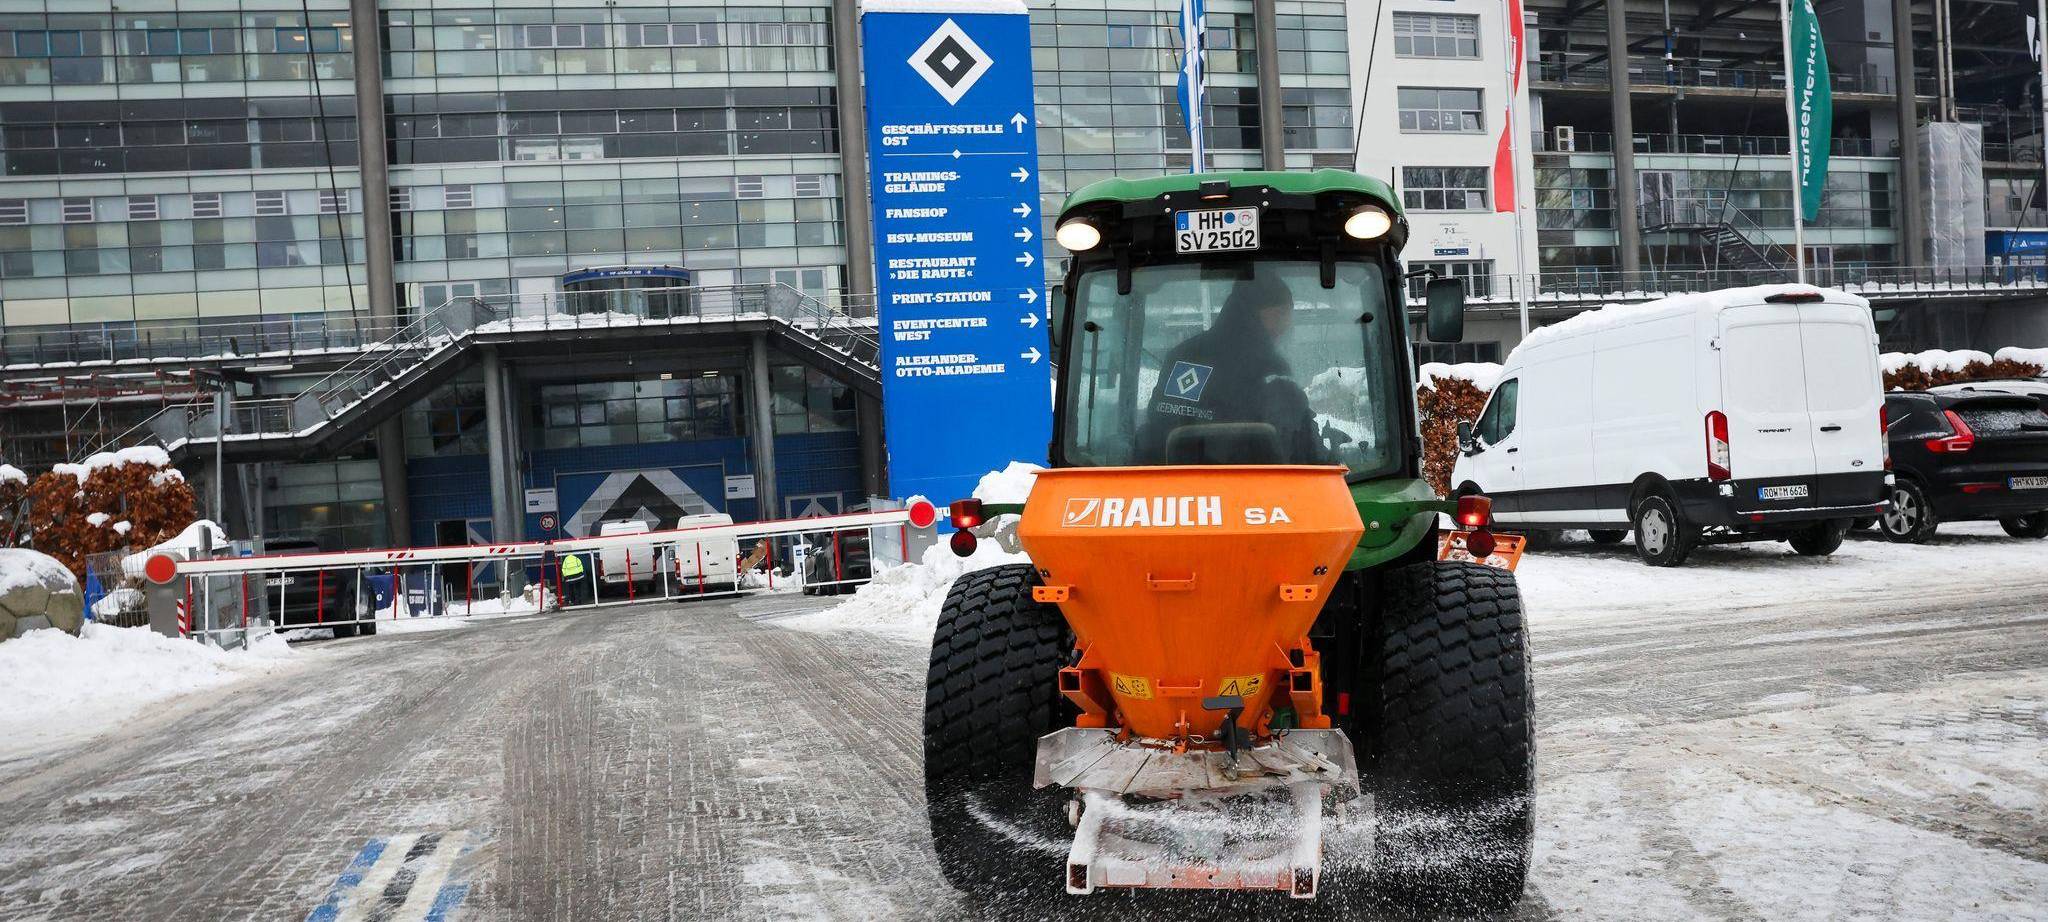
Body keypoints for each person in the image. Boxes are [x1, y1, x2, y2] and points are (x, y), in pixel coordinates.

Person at [1135, 273, 1321, 463]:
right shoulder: (1271, 372)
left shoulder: (1187, 356)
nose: (1286, 325)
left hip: (1185, 487)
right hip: (1264, 484)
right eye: (1281, 313)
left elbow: (1160, 427)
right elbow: (1301, 446)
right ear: (1254, 312)